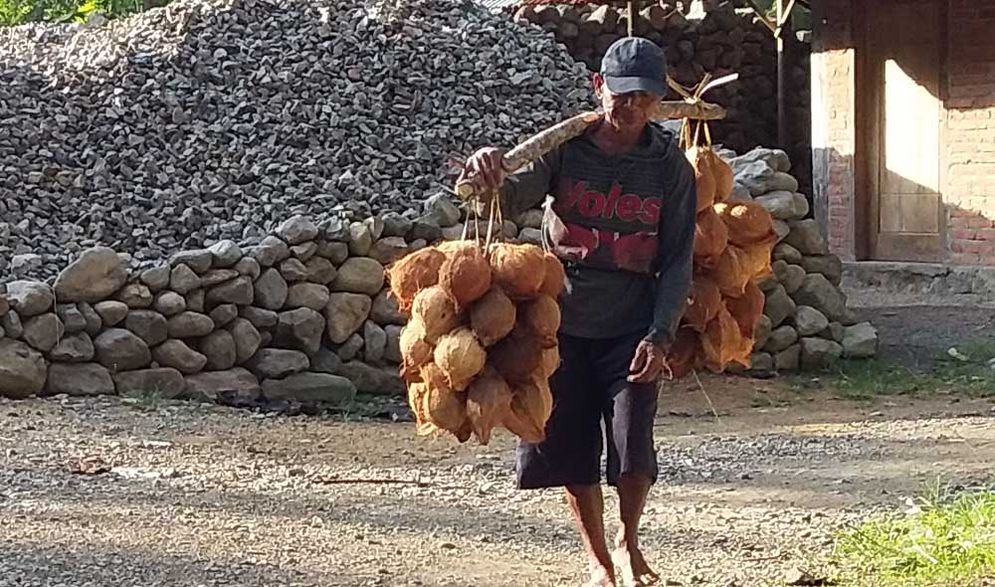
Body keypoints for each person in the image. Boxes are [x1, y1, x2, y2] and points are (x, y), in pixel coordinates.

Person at [457, 36, 697, 587]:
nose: (630, 107)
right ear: (599, 89)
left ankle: (629, 540)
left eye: (643, 97)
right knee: (566, 444)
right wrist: (486, 170)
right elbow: (505, 197)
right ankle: (599, 560)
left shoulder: (670, 169)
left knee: (633, 444)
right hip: (557, 322)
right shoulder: (567, 150)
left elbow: (678, 258)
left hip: (633, 322)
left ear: (657, 100)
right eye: (621, 95)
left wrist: (660, 335)